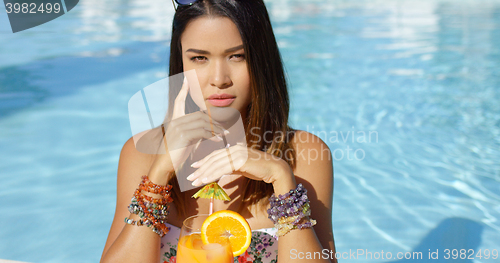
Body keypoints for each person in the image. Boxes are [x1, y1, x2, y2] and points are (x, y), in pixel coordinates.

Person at [101, 0, 337, 262]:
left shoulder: (304, 154)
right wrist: (159, 174)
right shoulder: (142, 153)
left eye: (237, 56)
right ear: (181, 62)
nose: (219, 78)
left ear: (262, 60)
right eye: (199, 58)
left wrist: (282, 180)